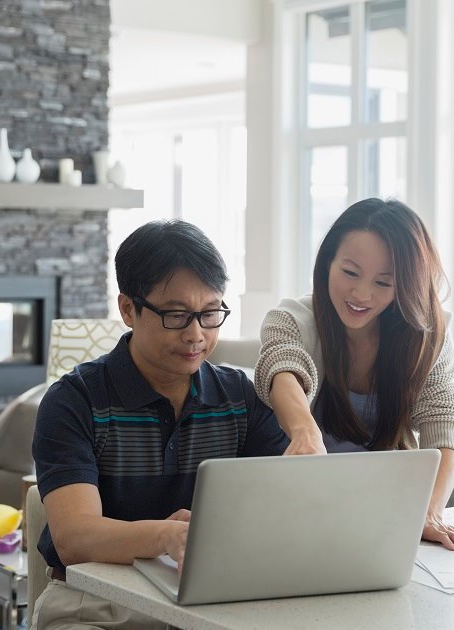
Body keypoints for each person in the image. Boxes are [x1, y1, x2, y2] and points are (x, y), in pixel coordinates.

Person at [32, 219, 290, 629]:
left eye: (210, 313)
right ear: (128, 309)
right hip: (95, 605)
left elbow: (288, 507)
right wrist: (166, 537)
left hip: (207, 602)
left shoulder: (240, 397)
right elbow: (74, 537)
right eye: (176, 315)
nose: (196, 334)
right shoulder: (75, 400)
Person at [254, 198, 454, 551]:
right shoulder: (292, 320)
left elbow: (445, 423)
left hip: (383, 516)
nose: (362, 294)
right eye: (350, 272)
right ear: (327, 263)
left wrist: (428, 512)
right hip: (296, 512)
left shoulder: (424, 337)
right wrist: (305, 434)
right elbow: (282, 367)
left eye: (383, 282)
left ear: (405, 285)